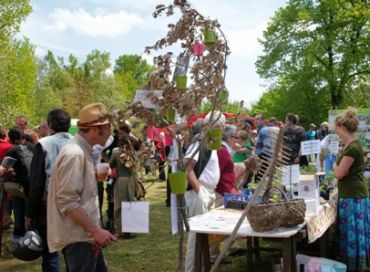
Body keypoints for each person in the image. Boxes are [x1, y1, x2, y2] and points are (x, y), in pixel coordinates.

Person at [47, 103, 117, 272]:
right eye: (107, 127)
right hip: (79, 239)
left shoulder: (81, 151)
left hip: (86, 236)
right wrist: (95, 231)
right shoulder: (74, 154)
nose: (110, 132)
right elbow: (67, 201)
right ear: (94, 130)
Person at [26, 109, 72, 272]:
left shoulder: (44, 144)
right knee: (71, 250)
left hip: (49, 205)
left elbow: (37, 182)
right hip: (74, 205)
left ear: (50, 124)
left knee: (50, 251)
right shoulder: (77, 143)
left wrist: (30, 213)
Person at [184, 111, 225, 272]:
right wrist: (199, 190)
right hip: (200, 192)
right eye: (217, 127)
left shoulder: (210, 142)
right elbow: (186, 165)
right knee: (196, 238)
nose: (220, 130)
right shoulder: (200, 142)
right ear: (207, 126)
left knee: (205, 237)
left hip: (208, 191)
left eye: (221, 127)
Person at [333, 107, 369, 272]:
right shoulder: (350, 146)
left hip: (353, 195)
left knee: (353, 232)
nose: (336, 131)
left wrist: (333, 164)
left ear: (342, 127)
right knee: (353, 231)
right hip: (352, 193)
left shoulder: (352, 148)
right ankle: (353, 263)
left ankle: (355, 264)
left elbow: (340, 173)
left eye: (337, 128)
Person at [109, 125, 140, 238]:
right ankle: (131, 228)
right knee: (131, 203)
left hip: (121, 180)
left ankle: (121, 230)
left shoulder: (116, 152)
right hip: (132, 179)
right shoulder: (134, 153)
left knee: (119, 206)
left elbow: (110, 165)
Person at [5, 127, 35, 239]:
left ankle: (19, 239)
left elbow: (5, 168)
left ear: (11, 138)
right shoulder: (33, 147)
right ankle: (34, 238)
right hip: (35, 186)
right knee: (32, 215)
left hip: (21, 187)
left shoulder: (13, 150)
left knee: (18, 214)